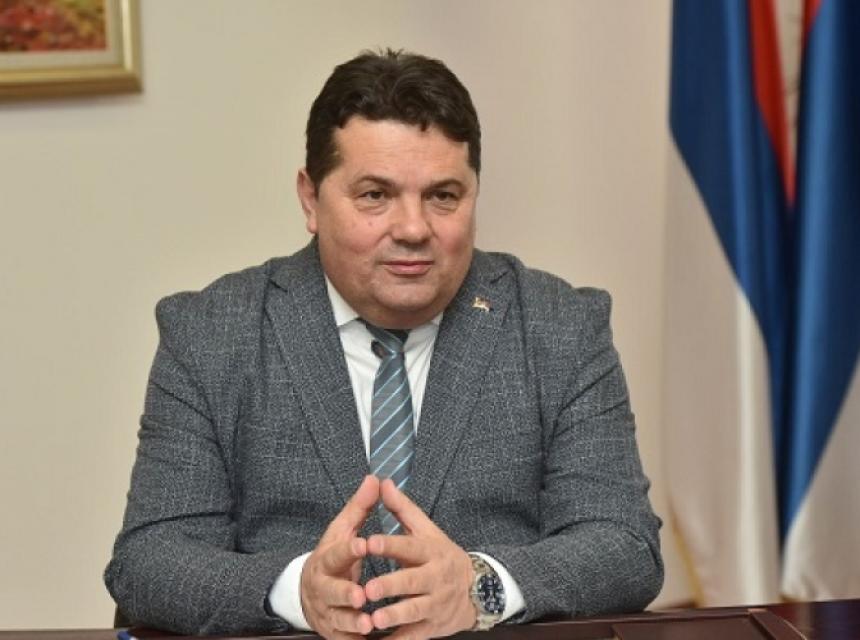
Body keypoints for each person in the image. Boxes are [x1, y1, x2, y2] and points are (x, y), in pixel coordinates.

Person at [105, 49, 663, 638]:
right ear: (310, 199)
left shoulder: (560, 326)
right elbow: (150, 559)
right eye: (375, 194)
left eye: (443, 195)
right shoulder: (212, 333)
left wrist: (478, 587)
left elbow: (624, 545)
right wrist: (297, 592)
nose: (414, 228)